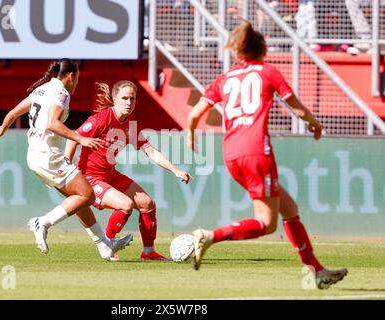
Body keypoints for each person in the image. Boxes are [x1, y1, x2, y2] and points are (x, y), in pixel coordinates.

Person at [186, 20, 348, 289]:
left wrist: (191, 134)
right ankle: (209, 235)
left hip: (230, 152)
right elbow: (297, 109)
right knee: (266, 223)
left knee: (290, 209)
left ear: (239, 52)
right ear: (262, 50)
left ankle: (316, 270)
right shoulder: (268, 72)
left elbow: (193, 115)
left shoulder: (223, 79)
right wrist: (315, 124)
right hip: (256, 151)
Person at [0, 59, 132, 260]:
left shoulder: (42, 89)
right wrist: (81, 139)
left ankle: (104, 246)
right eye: (77, 78)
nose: (77, 82)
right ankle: (42, 223)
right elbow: (52, 124)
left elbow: (14, 112)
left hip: (34, 156)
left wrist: (3, 128)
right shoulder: (61, 93)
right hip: (49, 156)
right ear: (71, 76)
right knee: (86, 195)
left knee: (78, 200)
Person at [65, 80, 192, 261]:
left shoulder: (130, 125)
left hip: (109, 174)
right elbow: (74, 137)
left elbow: (150, 151)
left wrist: (176, 170)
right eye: (124, 98)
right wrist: (68, 167)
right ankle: (107, 246)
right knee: (125, 205)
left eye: (132, 99)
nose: (128, 102)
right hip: (89, 178)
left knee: (147, 203)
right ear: (114, 99)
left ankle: (148, 252)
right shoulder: (100, 119)